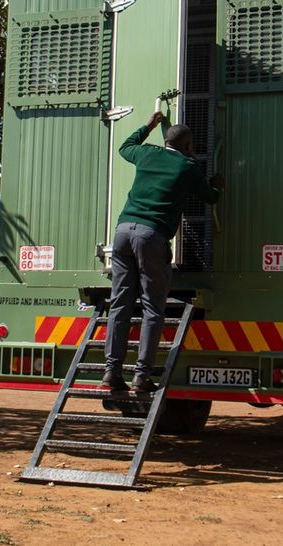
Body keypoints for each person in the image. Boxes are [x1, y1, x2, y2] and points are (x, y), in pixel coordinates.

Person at [102, 110, 223, 393]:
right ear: (189, 146)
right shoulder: (187, 167)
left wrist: (148, 125)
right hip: (150, 236)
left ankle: (111, 372)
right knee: (152, 308)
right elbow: (210, 197)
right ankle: (142, 376)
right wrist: (218, 185)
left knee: (119, 303)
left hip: (122, 232)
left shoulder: (146, 154)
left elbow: (124, 147)